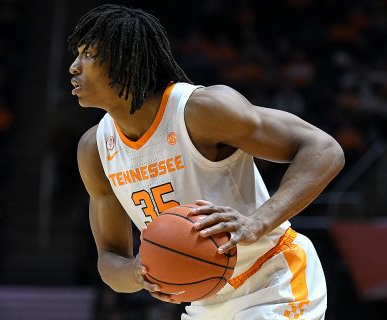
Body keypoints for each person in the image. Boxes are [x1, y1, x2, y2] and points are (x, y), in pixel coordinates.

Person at [70, 4, 344, 320]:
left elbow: (323, 149)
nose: (74, 67)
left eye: (88, 55)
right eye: (76, 55)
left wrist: (258, 221)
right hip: (205, 302)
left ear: (126, 63)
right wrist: (137, 272)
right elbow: (109, 259)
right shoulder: (95, 148)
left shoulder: (201, 110)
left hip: (275, 282)